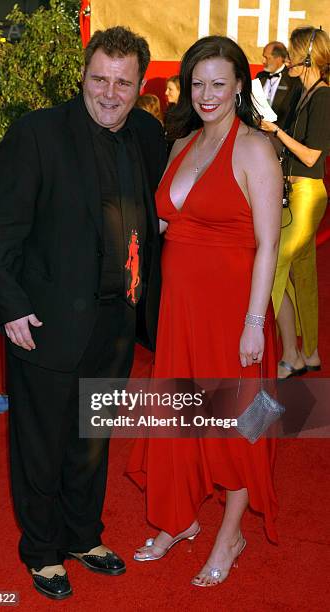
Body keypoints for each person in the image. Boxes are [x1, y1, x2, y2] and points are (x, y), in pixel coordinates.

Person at [0, 26, 166, 600]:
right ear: (83, 76)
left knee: (93, 436)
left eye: (123, 83)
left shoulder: (146, 133)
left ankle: (84, 536)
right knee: (41, 442)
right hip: (46, 320)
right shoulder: (38, 134)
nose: (109, 93)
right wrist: (11, 307)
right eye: (99, 79)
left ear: (139, 86)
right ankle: (41, 550)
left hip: (116, 321)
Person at [126, 35, 282, 587]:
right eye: (198, 83)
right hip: (180, 313)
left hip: (233, 316)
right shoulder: (181, 144)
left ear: (241, 85)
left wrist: (253, 324)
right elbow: (167, 223)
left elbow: (269, 243)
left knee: (233, 428)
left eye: (219, 83)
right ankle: (179, 519)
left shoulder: (256, 149)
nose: (208, 93)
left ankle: (230, 535)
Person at [261, 27, 330, 379]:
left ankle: (277, 352)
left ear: (307, 57)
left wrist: (277, 134)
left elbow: (311, 155)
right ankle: (308, 353)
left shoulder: (322, 98)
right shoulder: (304, 94)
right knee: (302, 274)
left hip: (307, 194)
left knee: (273, 267)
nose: (287, 58)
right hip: (294, 192)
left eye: (293, 52)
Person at [256, 41, 302, 129]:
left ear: (278, 59)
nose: (263, 61)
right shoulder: (260, 76)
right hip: (256, 130)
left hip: (279, 132)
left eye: (266, 57)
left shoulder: (293, 80)